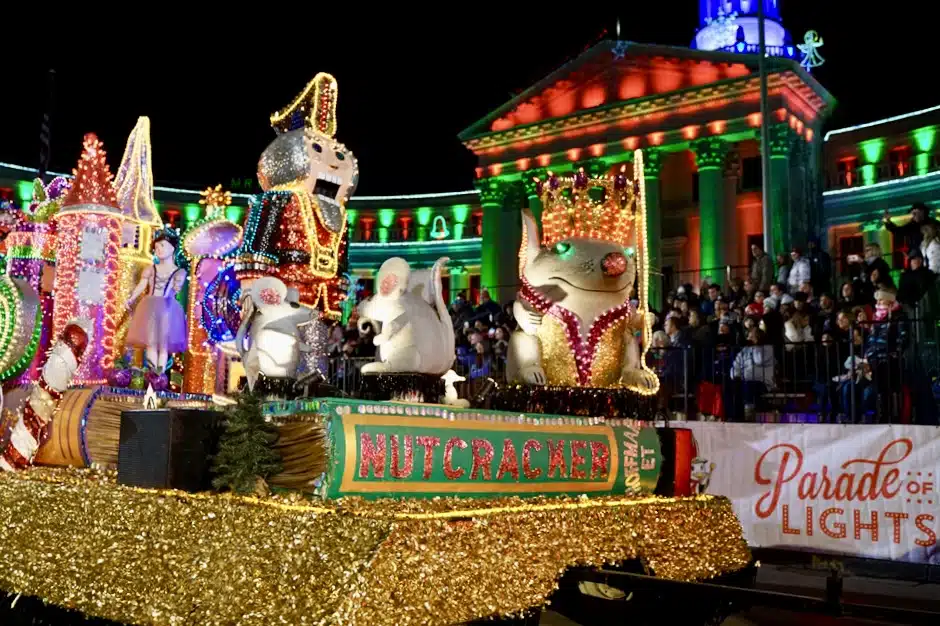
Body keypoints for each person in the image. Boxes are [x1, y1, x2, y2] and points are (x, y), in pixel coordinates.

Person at [126, 229, 188, 373]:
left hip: (168, 307)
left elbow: (176, 288)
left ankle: (160, 375)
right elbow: (142, 285)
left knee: (164, 344)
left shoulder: (179, 272)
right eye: (156, 247)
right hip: (150, 306)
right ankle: (153, 375)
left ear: (172, 248)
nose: (158, 249)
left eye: (162, 245)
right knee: (151, 343)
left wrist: (176, 286)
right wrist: (131, 298)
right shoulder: (151, 269)